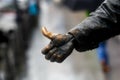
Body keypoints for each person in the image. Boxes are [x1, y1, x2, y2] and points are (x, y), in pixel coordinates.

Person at [41, 0, 120, 63]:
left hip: (100, 25)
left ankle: (102, 59)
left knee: (101, 47)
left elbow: (110, 12)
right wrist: (73, 37)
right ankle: (103, 59)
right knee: (102, 46)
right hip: (100, 26)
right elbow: (112, 12)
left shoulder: (89, 5)